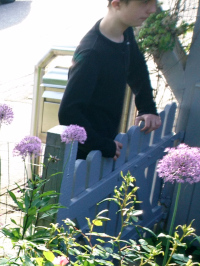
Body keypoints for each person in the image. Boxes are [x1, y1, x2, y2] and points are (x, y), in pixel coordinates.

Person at [58, 0, 162, 159]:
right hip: (84, 157)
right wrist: (101, 145)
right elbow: (69, 113)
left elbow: (137, 67)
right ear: (117, 4)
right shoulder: (92, 53)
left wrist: (147, 107)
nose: (152, 9)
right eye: (144, 3)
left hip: (105, 149)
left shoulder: (124, 33)